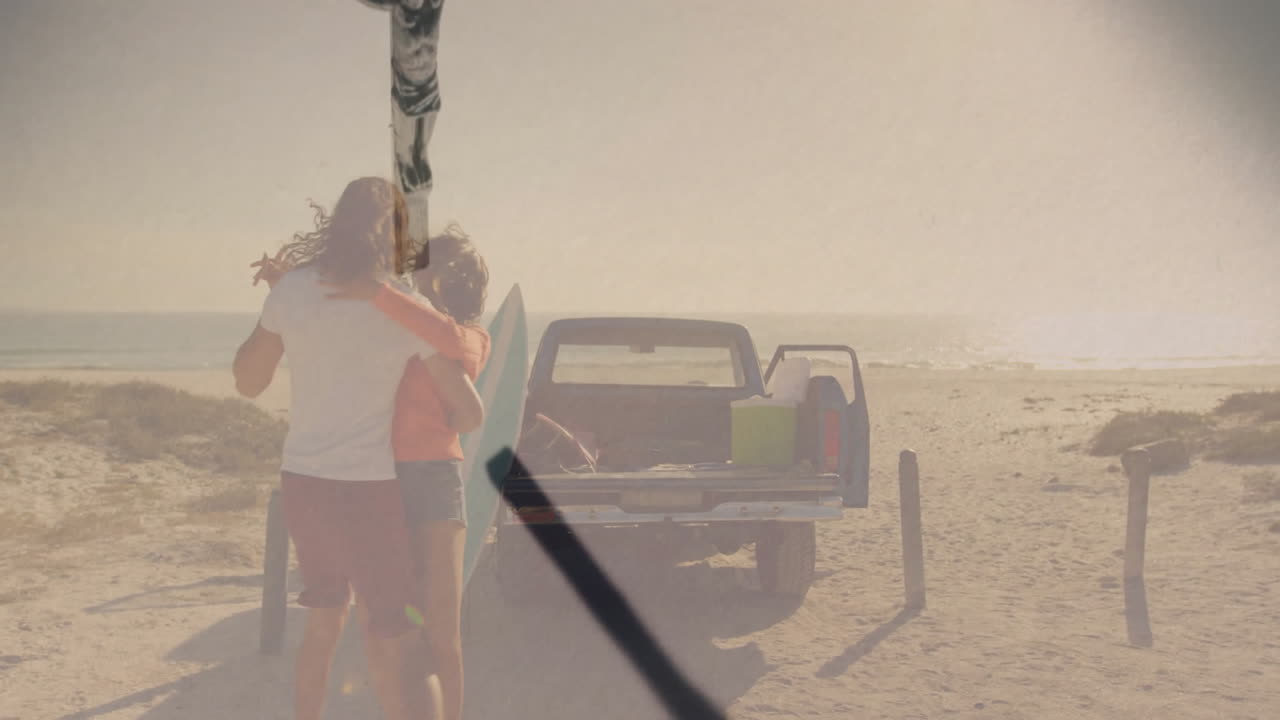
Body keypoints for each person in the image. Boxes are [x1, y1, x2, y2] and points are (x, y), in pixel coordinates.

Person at [234, 176, 469, 720]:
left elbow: (249, 381)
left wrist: (281, 303)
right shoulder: (399, 303)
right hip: (368, 490)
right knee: (398, 638)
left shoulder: (293, 290)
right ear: (394, 235)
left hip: (304, 485)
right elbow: (463, 399)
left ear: (335, 224)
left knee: (323, 623)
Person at [327, 225, 489, 720]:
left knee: (441, 632)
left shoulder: (467, 337)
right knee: (387, 630)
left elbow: (445, 342)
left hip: (433, 479)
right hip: (376, 478)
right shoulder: (398, 319)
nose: (411, 274)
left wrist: (378, 292)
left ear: (444, 278)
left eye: (423, 267)